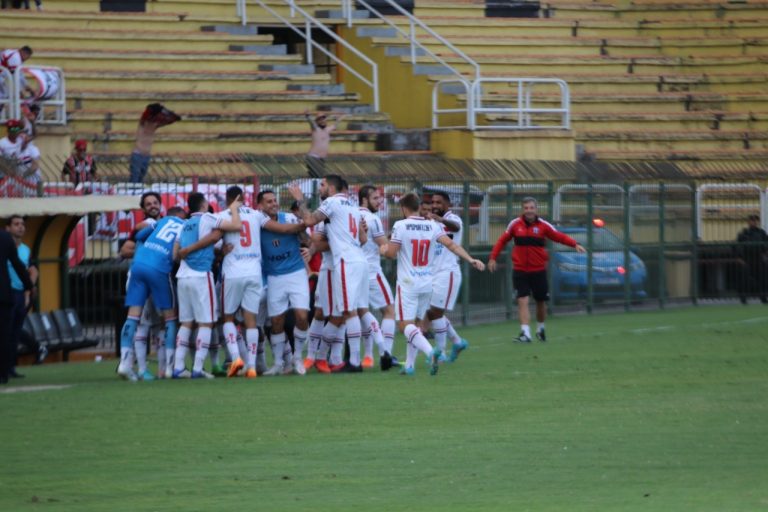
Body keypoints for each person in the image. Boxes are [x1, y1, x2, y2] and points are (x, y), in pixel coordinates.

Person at [378, 192, 485, 376]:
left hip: (408, 283)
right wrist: (471, 259)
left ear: (404, 209)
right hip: (427, 281)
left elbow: (391, 254)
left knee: (405, 326)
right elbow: (451, 245)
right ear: (419, 207)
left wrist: (383, 248)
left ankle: (430, 353)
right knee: (417, 325)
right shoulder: (431, 226)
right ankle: (410, 365)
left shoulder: (400, 225)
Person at [217, 186, 305, 379]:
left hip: (233, 272)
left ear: (227, 199)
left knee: (229, 318)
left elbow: (215, 242)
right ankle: (251, 365)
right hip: (255, 274)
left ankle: (235, 358)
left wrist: (220, 250)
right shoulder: (257, 216)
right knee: (252, 322)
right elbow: (281, 228)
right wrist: (303, 224)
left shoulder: (223, 215)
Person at [289, 174, 369, 372]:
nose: (320, 188)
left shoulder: (332, 203)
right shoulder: (352, 207)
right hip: (357, 260)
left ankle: (350, 362)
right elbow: (362, 239)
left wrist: (300, 200)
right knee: (334, 312)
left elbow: (308, 221)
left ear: (332, 188)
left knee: (346, 312)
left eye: (323, 185)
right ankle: (322, 358)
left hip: (344, 262)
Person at [488, 197, 585, 343]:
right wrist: (493, 258)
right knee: (522, 299)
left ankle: (540, 328)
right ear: (523, 209)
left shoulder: (543, 226)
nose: (529, 211)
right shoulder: (515, 225)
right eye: (526, 208)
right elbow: (502, 241)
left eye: (531, 208)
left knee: (540, 301)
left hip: (538, 270)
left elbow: (558, 236)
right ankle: (525, 333)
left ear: (536, 209)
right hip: (520, 269)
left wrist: (574, 244)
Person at [172, 192, 241, 379]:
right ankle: (197, 368)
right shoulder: (208, 217)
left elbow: (175, 255)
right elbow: (236, 225)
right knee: (207, 322)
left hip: (183, 277)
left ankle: (178, 367)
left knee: (186, 322)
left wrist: (213, 251)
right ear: (204, 206)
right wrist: (234, 209)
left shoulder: (184, 225)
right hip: (201, 275)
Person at [116, 206, 187, 381]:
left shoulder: (160, 222)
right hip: (159, 268)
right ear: (183, 216)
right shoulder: (185, 226)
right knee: (169, 318)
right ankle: (170, 367)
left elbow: (139, 236)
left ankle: (124, 364)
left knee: (133, 317)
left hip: (138, 266)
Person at [257, 189, 313, 376]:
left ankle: (297, 357)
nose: (273, 204)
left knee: (302, 316)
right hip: (273, 277)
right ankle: (279, 363)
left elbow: (306, 239)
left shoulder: (288, 218)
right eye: (269, 202)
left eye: (275, 200)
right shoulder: (258, 223)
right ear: (260, 206)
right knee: (276, 322)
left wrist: (304, 235)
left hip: (296, 273)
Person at [426, 191, 469, 363]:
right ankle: (457, 342)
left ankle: (441, 353)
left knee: (435, 312)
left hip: (448, 272)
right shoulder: (430, 222)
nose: (435, 205)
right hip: (432, 273)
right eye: (433, 202)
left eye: (439, 202)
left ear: (447, 204)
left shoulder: (454, 219)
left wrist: (440, 220)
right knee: (432, 312)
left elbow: (456, 228)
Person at [358, 184, 397, 369]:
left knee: (361, 313)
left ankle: (365, 356)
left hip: (353, 273)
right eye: (375, 198)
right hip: (372, 271)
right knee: (389, 311)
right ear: (364, 199)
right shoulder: (373, 218)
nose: (379, 201)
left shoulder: (350, 215)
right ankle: (386, 353)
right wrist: (393, 243)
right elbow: (386, 249)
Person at [6, 215, 38, 378]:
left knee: (15, 331)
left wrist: (28, 290)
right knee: (6, 330)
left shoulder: (25, 250)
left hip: (20, 294)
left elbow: (33, 270)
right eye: (16, 224)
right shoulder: (5, 247)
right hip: (6, 293)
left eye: (22, 224)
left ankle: (10, 367)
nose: (20, 227)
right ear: (8, 228)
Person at [0, 229, 32, 385]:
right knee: (4, 335)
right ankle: (3, 373)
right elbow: (17, 264)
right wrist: (29, 285)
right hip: (4, 294)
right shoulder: (5, 238)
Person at [129, 103, 180, 183]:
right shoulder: (143, 124)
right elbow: (146, 114)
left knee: (141, 178)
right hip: (137, 154)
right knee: (134, 178)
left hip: (146, 155)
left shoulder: (154, 125)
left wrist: (167, 113)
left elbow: (171, 120)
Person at [736, 214, 768, 304]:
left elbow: (766, 244)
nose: (754, 222)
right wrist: (739, 257)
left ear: (758, 222)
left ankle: (763, 297)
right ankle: (743, 298)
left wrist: (766, 255)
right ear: (748, 222)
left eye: (755, 220)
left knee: (763, 278)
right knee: (744, 279)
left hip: (759, 258)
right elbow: (738, 246)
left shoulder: (762, 232)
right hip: (746, 259)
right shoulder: (743, 233)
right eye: (752, 220)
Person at [304, 111, 345, 178]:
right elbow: (311, 123)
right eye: (320, 119)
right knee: (316, 176)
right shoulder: (316, 129)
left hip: (321, 159)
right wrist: (308, 116)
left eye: (324, 119)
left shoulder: (327, 130)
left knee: (318, 177)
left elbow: (335, 126)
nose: (323, 121)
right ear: (317, 122)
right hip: (313, 157)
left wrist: (338, 120)